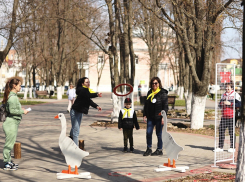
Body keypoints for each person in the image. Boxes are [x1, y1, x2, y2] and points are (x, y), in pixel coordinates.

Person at [2, 77, 29, 170]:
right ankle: (6, 163)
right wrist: (23, 111)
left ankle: (9, 161)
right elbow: (12, 110)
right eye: (19, 85)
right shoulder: (12, 97)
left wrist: (22, 110)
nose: (20, 87)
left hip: (13, 123)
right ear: (14, 86)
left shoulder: (12, 96)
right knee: (9, 145)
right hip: (10, 124)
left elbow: (13, 109)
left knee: (11, 143)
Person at [70, 77, 102, 145]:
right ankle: (75, 148)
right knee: (76, 130)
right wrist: (96, 94)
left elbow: (89, 100)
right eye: (86, 82)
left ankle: (70, 138)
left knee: (75, 128)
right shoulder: (82, 90)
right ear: (82, 84)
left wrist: (96, 106)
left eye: (89, 82)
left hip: (80, 112)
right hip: (75, 111)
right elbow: (89, 95)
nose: (88, 83)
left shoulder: (85, 90)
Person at [143, 77, 168, 156]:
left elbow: (165, 106)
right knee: (148, 133)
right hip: (150, 117)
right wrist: (145, 114)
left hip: (159, 117)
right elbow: (146, 105)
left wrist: (163, 118)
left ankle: (159, 150)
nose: (154, 84)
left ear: (159, 84)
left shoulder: (162, 93)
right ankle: (149, 148)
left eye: (156, 83)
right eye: (153, 83)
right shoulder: (150, 92)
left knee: (159, 133)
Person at [215, 82, 241, 153]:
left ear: (232, 88)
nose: (226, 88)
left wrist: (231, 103)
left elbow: (240, 104)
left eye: (228, 87)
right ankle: (220, 147)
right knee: (221, 131)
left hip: (232, 116)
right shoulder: (223, 95)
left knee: (231, 132)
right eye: (226, 87)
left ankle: (232, 147)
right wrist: (221, 103)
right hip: (224, 116)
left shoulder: (235, 94)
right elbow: (219, 105)